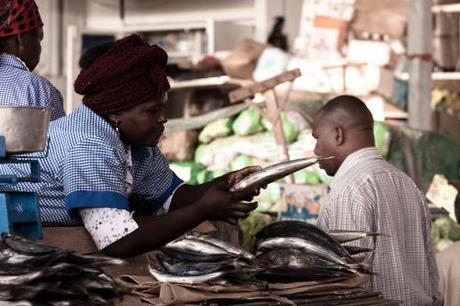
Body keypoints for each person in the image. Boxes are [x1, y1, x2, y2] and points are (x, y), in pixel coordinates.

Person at [0, 34, 259, 258]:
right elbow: (118, 241)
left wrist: (226, 185)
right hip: (29, 244)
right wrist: (203, 209)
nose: (163, 117)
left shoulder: (135, 141)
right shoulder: (88, 144)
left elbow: (171, 197)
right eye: (152, 110)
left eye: (163, 106)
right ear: (116, 113)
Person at [312, 95, 441, 306]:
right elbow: (431, 274)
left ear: (338, 134)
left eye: (317, 138)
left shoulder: (349, 189)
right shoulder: (406, 183)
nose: (316, 150)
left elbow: (346, 287)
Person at [0, 0, 65, 120]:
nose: (40, 48)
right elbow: (57, 138)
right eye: (39, 39)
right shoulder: (37, 89)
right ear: (21, 38)